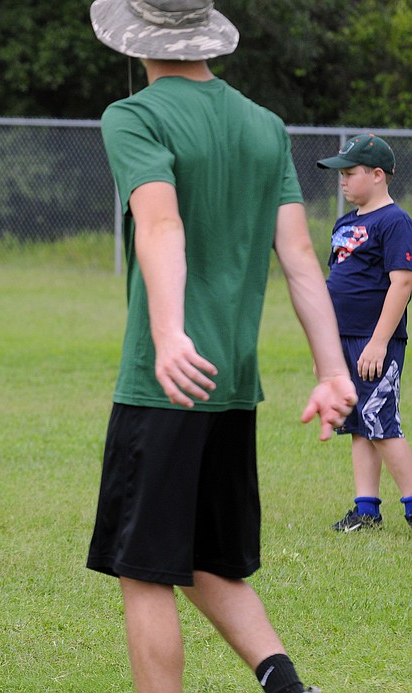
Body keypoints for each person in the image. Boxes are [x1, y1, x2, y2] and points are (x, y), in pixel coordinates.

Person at [85, 2, 357, 692]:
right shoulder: (264, 125)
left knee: (144, 569)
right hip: (232, 383)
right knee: (208, 558)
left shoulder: (135, 116)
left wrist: (169, 332)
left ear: (135, 36)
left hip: (166, 379)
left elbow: (160, 223)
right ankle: (290, 688)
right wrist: (331, 369)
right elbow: (300, 256)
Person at [316, 134, 412, 532]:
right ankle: (366, 509)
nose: (342, 180)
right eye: (340, 173)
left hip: (374, 342)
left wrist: (378, 342)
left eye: (350, 172)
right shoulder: (345, 223)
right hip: (342, 339)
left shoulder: (394, 221)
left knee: (381, 422)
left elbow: (402, 283)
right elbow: (336, 281)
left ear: (377, 175)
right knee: (358, 424)